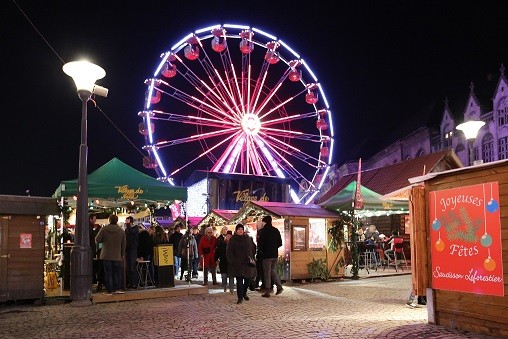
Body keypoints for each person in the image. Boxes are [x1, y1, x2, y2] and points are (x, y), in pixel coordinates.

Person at [95, 214, 126, 295]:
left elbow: (97, 239)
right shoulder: (121, 231)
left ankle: (109, 290)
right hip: (117, 255)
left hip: (106, 254)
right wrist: (122, 254)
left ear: (109, 220)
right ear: (117, 221)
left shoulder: (104, 229)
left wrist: (104, 240)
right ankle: (117, 288)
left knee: (108, 273)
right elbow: (124, 244)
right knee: (116, 273)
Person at [227, 224, 257, 304]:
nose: (240, 230)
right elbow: (229, 251)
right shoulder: (233, 239)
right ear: (236, 230)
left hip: (247, 263)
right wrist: (233, 261)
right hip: (237, 264)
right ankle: (240, 298)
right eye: (239, 229)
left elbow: (253, 248)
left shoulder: (247, 238)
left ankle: (244, 293)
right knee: (239, 281)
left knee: (248, 279)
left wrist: (252, 258)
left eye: (241, 229)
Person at [257, 215, 283, 298]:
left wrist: (263, 251)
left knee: (267, 273)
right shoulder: (275, 230)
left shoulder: (263, 231)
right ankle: (279, 286)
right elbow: (280, 243)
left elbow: (260, 244)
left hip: (266, 256)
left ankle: (267, 291)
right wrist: (273, 248)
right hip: (274, 255)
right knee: (272, 271)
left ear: (264, 222)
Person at [125, 216, 139, 289]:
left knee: (132, 267)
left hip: (133, 250)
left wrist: (128, 224)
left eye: (127, 220)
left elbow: (130, 232)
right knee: (128, 268)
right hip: (128, 250)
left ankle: (134, 283)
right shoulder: (127, 229)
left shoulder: (135, 228)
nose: (126, 221)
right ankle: (130, 283)